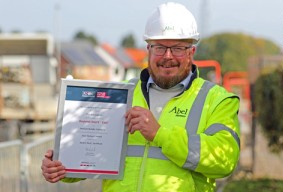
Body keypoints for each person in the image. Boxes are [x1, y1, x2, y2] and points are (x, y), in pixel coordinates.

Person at [41, 2, 240, 192]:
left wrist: (160, 135)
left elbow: (224, 161)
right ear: (149, 50)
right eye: (160, 47)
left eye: (178, 48)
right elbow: (95, 156)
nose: (168, 56)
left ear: (191, 52)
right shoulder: (118, 94)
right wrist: (62, 166)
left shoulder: (217, 100)